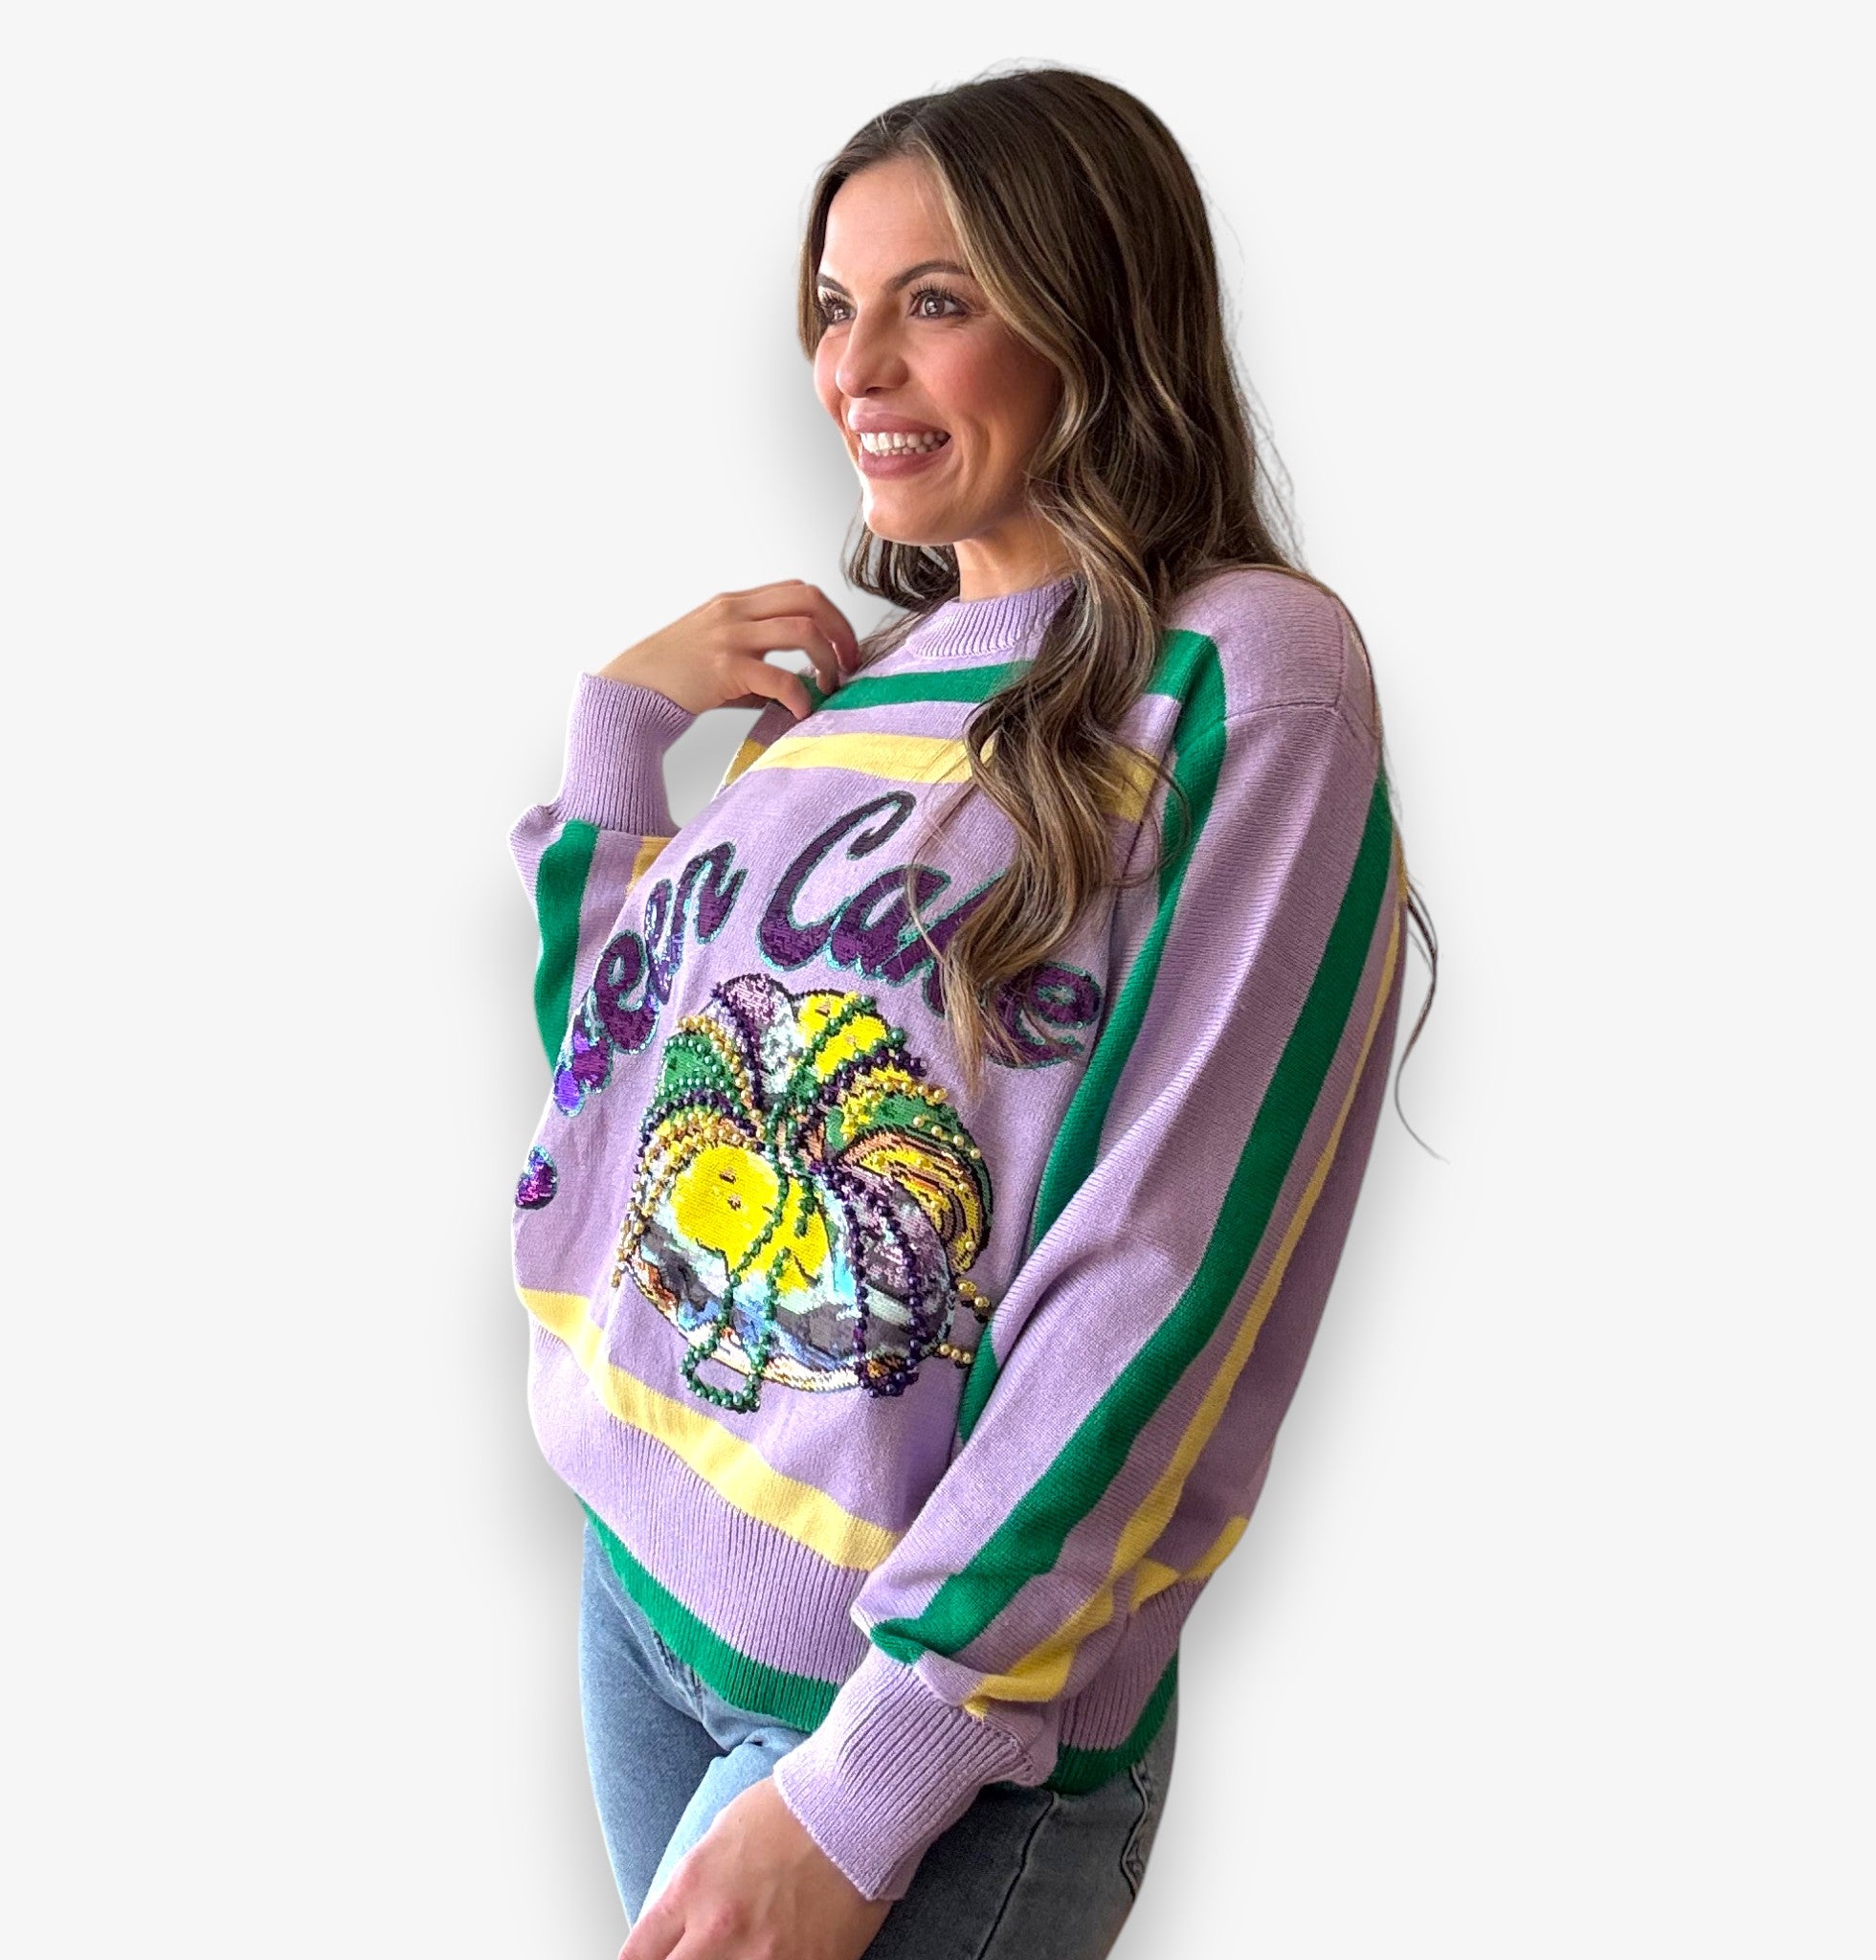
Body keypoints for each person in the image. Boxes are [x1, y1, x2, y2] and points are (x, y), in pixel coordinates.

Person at [505, 61, 1433, 1960]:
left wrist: (868, 1779)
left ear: (1097, 313)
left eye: (934, 301)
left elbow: (1160, 1272)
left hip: (902, 1731)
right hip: (645, 1597)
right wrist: (619, 741)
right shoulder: (868, 688)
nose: (854, 367)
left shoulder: (1246, 674)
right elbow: (620, 1099)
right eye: (833, 306)